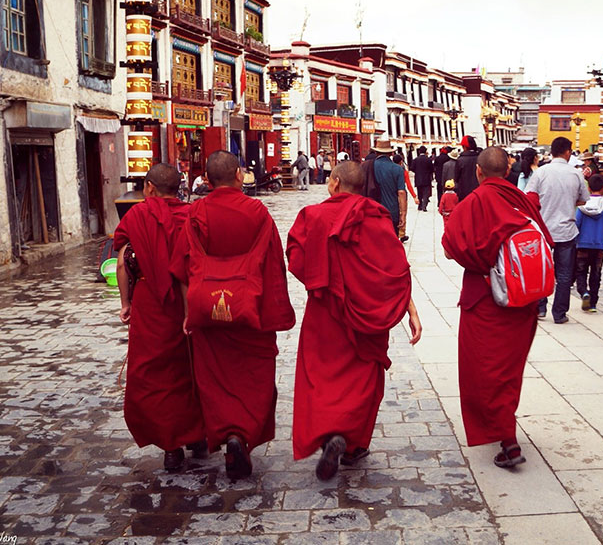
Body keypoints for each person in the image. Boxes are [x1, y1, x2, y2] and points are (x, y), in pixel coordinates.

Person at [287, 161, 421, 481]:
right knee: (363, 377)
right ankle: (353, 443)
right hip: (366, 316)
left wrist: (322, 281)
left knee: (320, 375)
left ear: (333, 183)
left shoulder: (312, 216)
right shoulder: (377, 217)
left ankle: (328, 435)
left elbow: (296, 260)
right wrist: (408, 307)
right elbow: (395, 269)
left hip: (325, 312)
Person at [170, 151, 296, 480]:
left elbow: (183, 265)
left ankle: (226, 433)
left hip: (208, 312)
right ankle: (242, 437)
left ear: (207, 181)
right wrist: (272, 312)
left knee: (216, 378)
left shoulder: (195, 212)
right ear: (239, 175)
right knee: (253, 377)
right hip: (249, 310)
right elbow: (273, 265)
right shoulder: (257, 211)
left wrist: (188, 312)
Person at [442, 146, 553, 469]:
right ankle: (504, 425)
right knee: (508, 370)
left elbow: (451, 248)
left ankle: (507, 438)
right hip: (523, 299)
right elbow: (544, 240)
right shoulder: (521, 200)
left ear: (478, 172)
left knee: (483, 370)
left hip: (484, 297)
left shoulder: (472, 203)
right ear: (507, 172)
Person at [114, 163, 206, 472]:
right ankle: (197, 437)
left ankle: (171, 447)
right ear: (177, 188)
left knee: (155, 373)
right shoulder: (191, 215)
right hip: (189, 303)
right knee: (191, 368)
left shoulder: (136, 216)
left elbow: (122, 263)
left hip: (149, 303)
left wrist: (125, 303)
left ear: (150, 189)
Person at [524, 136, 590, 323]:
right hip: (566, 230)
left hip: (543, 229)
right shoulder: (576, 173)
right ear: (567, 152)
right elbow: (584, 199)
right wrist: (569, 201)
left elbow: (530, 197)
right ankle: (559, 314)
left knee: (541, 270)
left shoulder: (541, 172)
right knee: (564, 274)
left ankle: (540, 307)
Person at [575, 175, 603, 313]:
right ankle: (592, 303)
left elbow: (577, 224)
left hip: (582, 245)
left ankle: (584, 292)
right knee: (596, 274)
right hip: (600, 245)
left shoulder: (581, 206)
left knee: (580, 272)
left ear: (588, 188)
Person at [371, 140, 408, 241]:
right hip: (392, 211)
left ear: (376, 152)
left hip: (372, 210)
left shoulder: (368, 166)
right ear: (391, 153)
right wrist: (403, 214)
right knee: (391, 241)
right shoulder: (397, 169)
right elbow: (401, 192)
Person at [455, 135, 481, 201]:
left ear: (465, 147)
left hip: (464, 192)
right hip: (478, 191)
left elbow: (456, 178)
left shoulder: (460, 160)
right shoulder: (480, 158)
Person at [412, 145, 434, 212]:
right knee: (426, 193)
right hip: (426, 178)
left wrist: (417, 172)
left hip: (418, 178)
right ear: (425, 151)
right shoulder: (428, 160)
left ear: (419, 151)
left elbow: (412, 168)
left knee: (419, 192)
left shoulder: (415, 160)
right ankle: (424, 206)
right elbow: (432, 169)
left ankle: (420, 205)